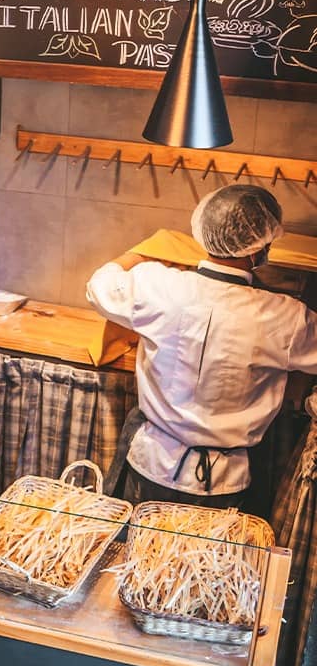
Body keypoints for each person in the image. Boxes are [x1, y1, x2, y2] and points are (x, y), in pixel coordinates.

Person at [86, 184, 317, 507]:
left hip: (150, 463)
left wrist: (139, 253)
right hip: (225, 483)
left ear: (204, 232)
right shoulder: (287, 318)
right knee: (208, 559)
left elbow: (98, 286)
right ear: (257, 249)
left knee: (137, 552)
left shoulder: (157, 285)